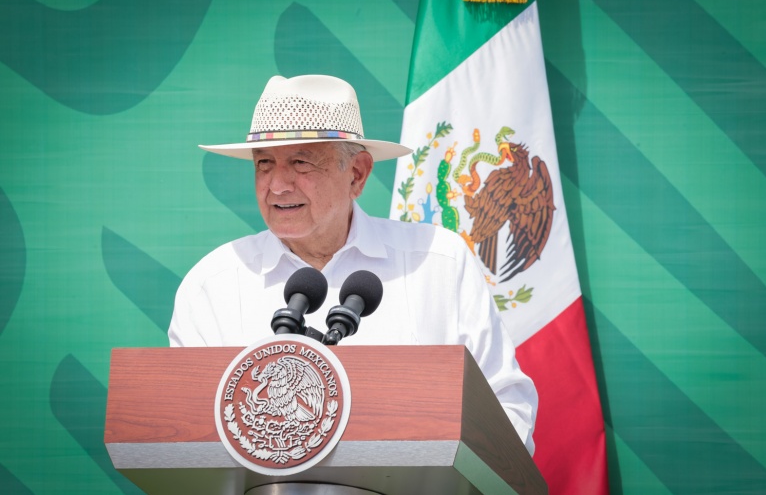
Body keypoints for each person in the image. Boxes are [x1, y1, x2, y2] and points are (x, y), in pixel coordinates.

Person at [168, 74, 538, 454]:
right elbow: (180, 433)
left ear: (357, 174)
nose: (277, 185)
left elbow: (508, 410)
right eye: (264, 164)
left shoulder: (438, 264)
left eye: (300, 162)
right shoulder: (211, 286)